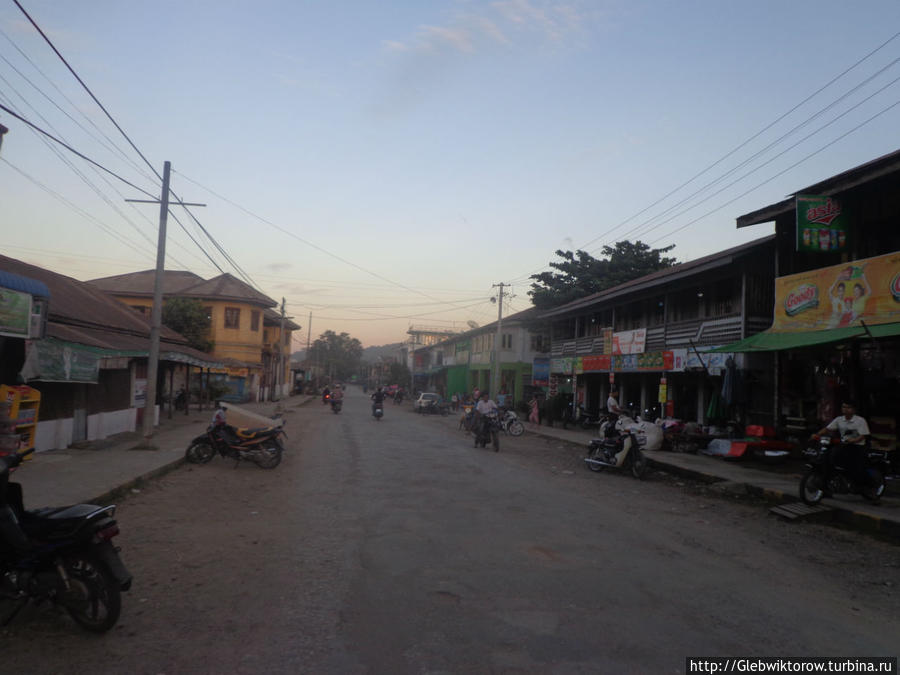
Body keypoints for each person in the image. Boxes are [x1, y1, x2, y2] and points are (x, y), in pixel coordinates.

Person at [814, 401, 873, 490]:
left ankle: (866, 488)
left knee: (856, 468)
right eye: (843, 407)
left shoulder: (860, 420)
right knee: (827, 456)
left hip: (857, 447)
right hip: (844, 445)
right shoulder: (839, 419)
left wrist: (853, 440)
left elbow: (863, 436)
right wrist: (817, 435)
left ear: (854, 410)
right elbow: (827, 429)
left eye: (848, 407)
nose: (845, 409)